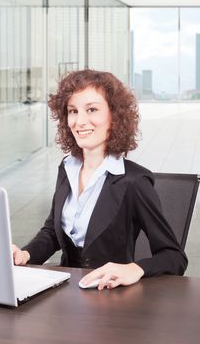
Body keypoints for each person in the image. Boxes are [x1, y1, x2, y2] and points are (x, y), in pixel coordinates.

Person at [12, 69, 187, 290]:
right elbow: (52, 233)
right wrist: (25, 254)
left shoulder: (133, 181)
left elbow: (174, 257)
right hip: (66, 290)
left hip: (111, 296)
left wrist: (135, 269)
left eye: (92, 109)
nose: (80, 121)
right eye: (73, 111)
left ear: (114, 115)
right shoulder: (67, 168)